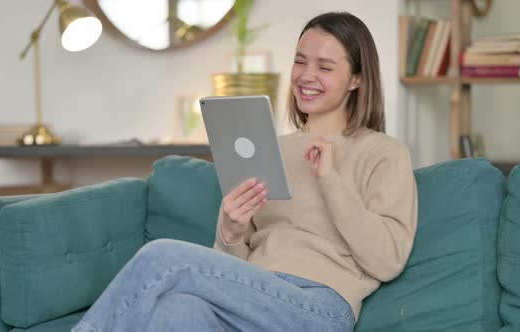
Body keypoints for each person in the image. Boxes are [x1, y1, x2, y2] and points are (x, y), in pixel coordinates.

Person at [72, 11, 417, 332]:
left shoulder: (384, 153)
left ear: (356, 79)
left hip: (318, 307)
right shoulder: (269, 148)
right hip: (251, 299)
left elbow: (387, 260)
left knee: (162, 257)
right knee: (177, 309)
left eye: (325, 67)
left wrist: (330, 179)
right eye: (300, 61)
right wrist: (231, 233)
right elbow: (234, 268)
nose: (306, 76)